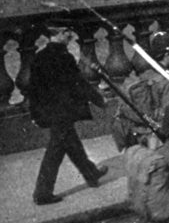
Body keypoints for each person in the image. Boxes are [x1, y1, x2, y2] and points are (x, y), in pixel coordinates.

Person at [24, 23, 109, 205]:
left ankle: (90, 173)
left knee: (70, 142)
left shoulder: (39, 58)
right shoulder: (64, 57)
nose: (70, 35)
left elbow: (33, 89)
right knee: (56, 150)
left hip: (50, 112)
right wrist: (99, 99)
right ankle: (42, 193)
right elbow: (78, 83)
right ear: (60, 33)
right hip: (62, 112)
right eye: (68, 32)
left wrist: (35, 113)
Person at [112, 32, 169, 151]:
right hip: (154, 136)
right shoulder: (167, 81)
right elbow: (167, 115)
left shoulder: (142, 74)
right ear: (168, 54)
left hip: (134, 131)